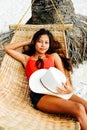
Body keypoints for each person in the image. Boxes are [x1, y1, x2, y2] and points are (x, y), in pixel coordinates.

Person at [4, 28, 87, 130]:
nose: (43, 45)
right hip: (40, 95)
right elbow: (7, 48)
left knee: (85, 106)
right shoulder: (27, 59)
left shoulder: (53, 57)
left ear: (49, 44)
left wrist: (69, 88)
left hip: (57, 89)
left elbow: (63, 75)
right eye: (39, 41)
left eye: (46, 42)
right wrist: (29, 41)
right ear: (34, 42)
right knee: (78, 108)